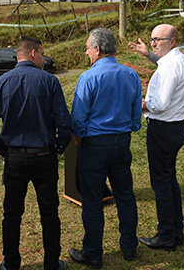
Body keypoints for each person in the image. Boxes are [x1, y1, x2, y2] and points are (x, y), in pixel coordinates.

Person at [0, 37, 71, 270]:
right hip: (44, 155)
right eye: (42, 54)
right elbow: (65, 123)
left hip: (14, 157)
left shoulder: (1, 83)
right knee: (49, 213)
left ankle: (11, 263)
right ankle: (51, 263)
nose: (43, 59)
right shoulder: (50, 82)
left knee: (12, 214)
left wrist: (4, 151)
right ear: (33, 53)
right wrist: (59, 150)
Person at [68, 28, 143, 269]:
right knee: (125, 195)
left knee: (92, 201)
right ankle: (129, 246)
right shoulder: (131, 74)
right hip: (122, 141)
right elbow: (135, 111)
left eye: (88, 48)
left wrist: (78, 140)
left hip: (95, 144)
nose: (87, 52)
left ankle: (93, 253)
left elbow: (79, 117)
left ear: (98, 49)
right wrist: (128, 127)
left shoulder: (89, 77)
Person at [129, 24, 184, 251]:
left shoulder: (170, 66)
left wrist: (139, 104)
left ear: (173, 41)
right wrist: (147, 53)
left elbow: (160, 103)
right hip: (175, 126)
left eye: (159, 40)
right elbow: (162, 64)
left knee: (161, 183)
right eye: (153, 39)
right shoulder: (181, 60)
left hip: (163, 128)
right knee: (169, 179)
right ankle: (176, 231)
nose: (154, 43)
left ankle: (166, 235)